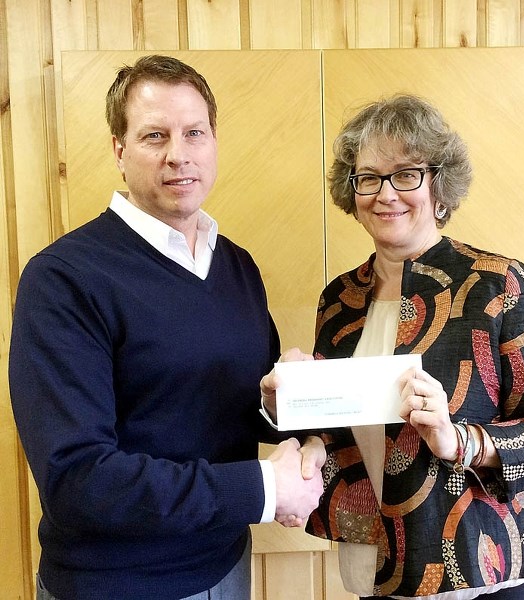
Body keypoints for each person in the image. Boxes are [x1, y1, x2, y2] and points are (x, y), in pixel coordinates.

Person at [9, 54, 324, 600]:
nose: (179, 155)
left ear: (214, 142)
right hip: (116, 586)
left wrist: (287, 407)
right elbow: (77, 480)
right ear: (119, 150)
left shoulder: (237, 266)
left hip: (227, 566)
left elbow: (231, 409)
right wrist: (263, 487)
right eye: (155, 136)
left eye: (194, 133)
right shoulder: (63, 278)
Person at [261, 94, 524, 599]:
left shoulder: (499, 285)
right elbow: (335, 432)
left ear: (439, 187)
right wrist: (289, 412)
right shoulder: (340, 300)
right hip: (377, 558)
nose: (386, 194)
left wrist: (458, 440)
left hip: (486, 567)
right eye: (368, 178)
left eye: (406, 174)